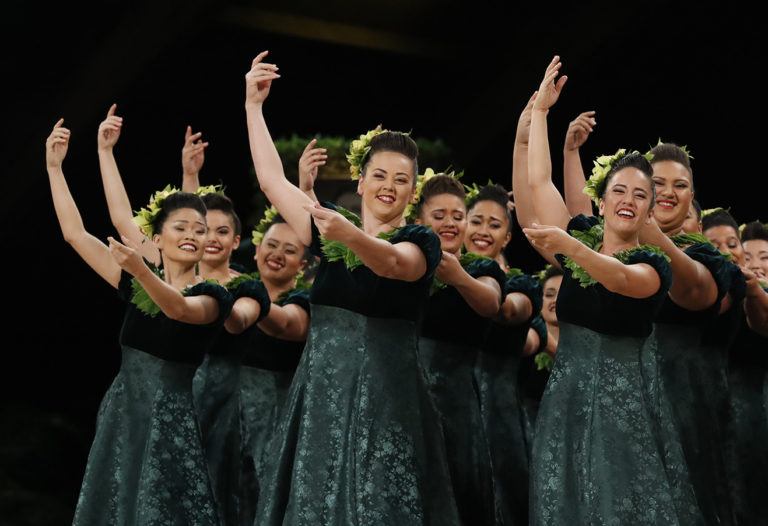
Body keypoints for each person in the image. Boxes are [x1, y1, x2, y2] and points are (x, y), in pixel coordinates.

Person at [244, 51, 460, 525]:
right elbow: (270, 180)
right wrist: (253, 107)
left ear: (412, 192)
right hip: (321, 392)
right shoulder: (332, 230)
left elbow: (393, 263)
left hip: (386, 395)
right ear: (360, 183)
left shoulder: (419, 240)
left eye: (401, 180)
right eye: (379, 176)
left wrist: (350, 235)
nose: (389, 186)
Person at [520, 56, 699, 525]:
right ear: (601, 201)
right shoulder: (579, 239)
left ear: (649, 212)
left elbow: (619, 279)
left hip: (626, 413)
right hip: (567, 401)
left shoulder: (653, 263)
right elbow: (539, 182)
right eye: (620, 191)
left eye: (641, 196)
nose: (629, 201)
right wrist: (540, 113)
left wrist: (567, 247)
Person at [46, 119, 234, 525]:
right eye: (180, 227)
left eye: (199, 231)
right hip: (122, 412)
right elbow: (75, 234)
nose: (192, 235)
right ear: (159, 237)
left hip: (169, 419)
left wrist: (143, 272)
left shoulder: (214, 295)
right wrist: (55, 170)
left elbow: (179, 310)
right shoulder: (138, 283)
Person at [411, 174, 503, 525]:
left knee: (457, 492)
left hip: (455, 404)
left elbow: (492, 303)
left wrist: (458, 276)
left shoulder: (480, 267)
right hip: (405, 393)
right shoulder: (406, 266)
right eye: (439, 215)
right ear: (419, 220)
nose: (450, 223)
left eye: (458, 215)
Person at [463, 181, 540, 525]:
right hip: (450, 409)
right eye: (476, 221)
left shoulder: (522, 286)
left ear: (507, 238)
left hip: (499, 419)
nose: (483, 231)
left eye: (495, 225)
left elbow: (508, 312)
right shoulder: (436, 275)